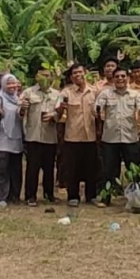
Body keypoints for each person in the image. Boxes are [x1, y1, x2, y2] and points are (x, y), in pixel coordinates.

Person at [95, 67, 140, 206]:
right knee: (109, 170)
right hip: (110, 138)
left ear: (127, 78)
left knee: (133, 170)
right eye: (117, 76)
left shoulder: (135, 94)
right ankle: (106, 198)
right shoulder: (105, 94)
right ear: (113, 78)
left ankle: (135, 199)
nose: (120, 79)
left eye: (123, 76)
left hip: (130, 137)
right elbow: (97, 108)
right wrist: (98, 111)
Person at [56, 63, 99, 206]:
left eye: (80, 72)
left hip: (90, 136)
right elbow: (58, 114)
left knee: (91, 168)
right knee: (72, 169)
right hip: (72, 136)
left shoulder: (95, 91)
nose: (78, 75)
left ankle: (91, 195)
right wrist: (61, 109)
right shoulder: (66, 93)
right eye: (74, 73)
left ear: (85, 72)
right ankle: (73, 196)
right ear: (71, 77)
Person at [22, 68, 60, 206]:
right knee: (33, 168)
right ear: (37, 76)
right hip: (33, 136)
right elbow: (20, 113)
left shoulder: (56, 94)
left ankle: (49, 194)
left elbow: (61, 113)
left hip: (50, 136)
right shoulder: (28, 92)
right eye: (42, 75)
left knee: (49, 168)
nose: (45, 77)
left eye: (48, 75)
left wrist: (54, 116)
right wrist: (22, 108)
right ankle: (30, 196)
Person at [0, 74, 25, 207]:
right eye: (8, 84)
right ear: (2, 85)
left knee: (16, 170)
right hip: (2, 140)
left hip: (17, 138)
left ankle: (14, 196)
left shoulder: (19, 99)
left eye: (14, 83)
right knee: (2, 170)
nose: (12, 86)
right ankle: (1, 197)